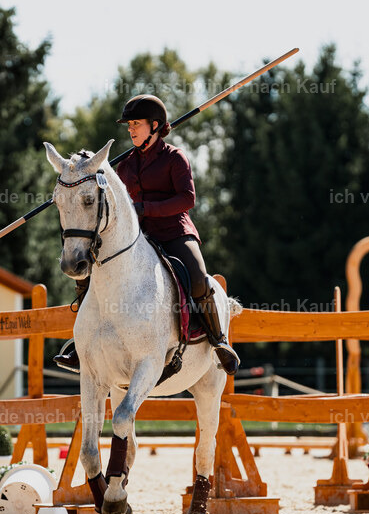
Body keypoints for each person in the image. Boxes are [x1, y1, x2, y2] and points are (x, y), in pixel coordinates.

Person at [54, 94, 240, 375]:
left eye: (136, 124)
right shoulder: (125, 165)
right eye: (129, 125)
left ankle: (218, 341)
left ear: (155, 126)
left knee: (200, 281)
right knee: (88, 273)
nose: (130, 130)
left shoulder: (174, 158)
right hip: (137, 237)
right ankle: (83, 346)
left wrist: (146, 208)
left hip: (174, 231)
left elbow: (187, 199)